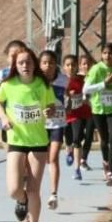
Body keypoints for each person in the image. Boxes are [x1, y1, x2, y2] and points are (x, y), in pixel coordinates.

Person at [0, 46, 56, 222]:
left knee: (34, 189)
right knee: (14, 189)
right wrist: (3, 117)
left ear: (34, 64)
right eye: (21, 63)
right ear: (15, 66)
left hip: (38, 141)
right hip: (16, 140)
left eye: (28, 62)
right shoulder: (8, 84)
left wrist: (49, 111)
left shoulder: (42, 84)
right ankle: (22, 202)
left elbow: (51, 106)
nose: (25, 66)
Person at [83, 42, 112, 187]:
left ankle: (111, 173)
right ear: (101, 55)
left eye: (111, 53)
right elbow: (86, 89)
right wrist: (103, 84)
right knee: (104, 139)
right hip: (99, 109)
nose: (108, 56)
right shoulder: (96, 69)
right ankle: (105, 161)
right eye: (105, 53)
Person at [40, 50, 68, 210]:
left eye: (51, 62)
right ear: (39, 65)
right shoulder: (36, 81)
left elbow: (73, 96)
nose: (48, 66)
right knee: (44, 160)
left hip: (57, 124)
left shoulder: (64, 80)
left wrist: (70, 102)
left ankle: (53, 194)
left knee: (53, 158)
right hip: (40, 126)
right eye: (44, 62)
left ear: (55, 64)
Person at [62, 55, 92, 181]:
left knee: (77, 139)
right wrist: (67, 95)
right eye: (68, 65)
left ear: (77, 66)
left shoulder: (83, 79)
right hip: (65, 115)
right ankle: (68, 150)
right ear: (64, 67)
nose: (71, 67)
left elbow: (90, 92)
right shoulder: (61, 80)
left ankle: (77, 169)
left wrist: (87, 99)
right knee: (68, 139)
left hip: (79, 114)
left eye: (73, 65)